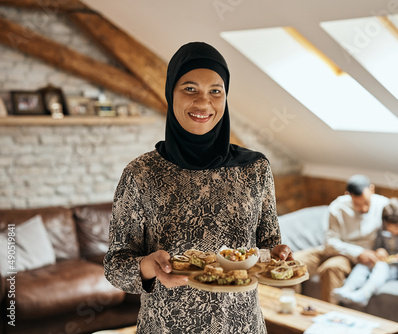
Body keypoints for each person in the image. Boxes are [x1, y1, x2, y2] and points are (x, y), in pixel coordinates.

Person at [103, 41, 293, 334]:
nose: (204, 103)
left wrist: (277, 255)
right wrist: (149, 266)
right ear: (171, 93)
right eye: (190, 89)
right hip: (166, 327)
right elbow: (115, 265)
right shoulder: (141, 173)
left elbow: (267, 246)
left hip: (241, 326)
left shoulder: (256, 169)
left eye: (215, 91)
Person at [294, 174, 389, 303]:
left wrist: (380, 249)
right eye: (357, 204)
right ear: (348, 195)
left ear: (372, 189)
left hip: (352, 258)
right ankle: (289, 308)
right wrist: (357, 252)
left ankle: (329, 316)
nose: (363, 208)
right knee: (292, 262)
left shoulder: (383, 205)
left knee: (331, 268)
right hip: (332, 249)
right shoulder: (337, 207)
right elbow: (330, 242)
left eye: (366, 202)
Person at [333, 198, 398, 306]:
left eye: (397, 227)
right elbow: (378, 245)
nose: (393, 231)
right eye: (389, 228)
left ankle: (364, 294)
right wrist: (380, 250)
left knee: (381, 268)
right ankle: (347, 289)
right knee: (364, 264)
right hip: (385, 259)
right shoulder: (383, 229)